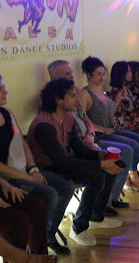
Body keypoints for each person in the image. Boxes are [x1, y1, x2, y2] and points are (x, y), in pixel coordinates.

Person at [27, 78, 123, 249]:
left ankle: (89, 220)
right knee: (75, 183)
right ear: (58, 99)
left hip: (60, 164)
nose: (77, 100)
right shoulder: (44, 125)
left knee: (104, 173)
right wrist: (99, 164)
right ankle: (54, 234)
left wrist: (99, 156)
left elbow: (78, 148)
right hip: (44, 170)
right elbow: (62, 162)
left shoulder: (68, 117)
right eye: (72, 96)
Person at [48, 60, 132, 216]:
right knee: (114, 160)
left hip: (89, 138)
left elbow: (85, 119)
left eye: (71, 72)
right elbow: (66, 152)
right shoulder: (53, 108)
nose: (71, 76)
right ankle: (96, 211)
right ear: (54, 77)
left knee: (117, 157)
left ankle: (102, 208)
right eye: (67, 74)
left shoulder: (73, 98)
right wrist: (97, 153)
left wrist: (90, 133)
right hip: (81, 147)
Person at [78, 57, 139, 193]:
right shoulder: (85, 94)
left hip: (110, 129)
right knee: (130, 147)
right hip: (98, 133)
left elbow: (110, 113)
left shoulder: (101, 92)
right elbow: (83, 119)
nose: (102, 77)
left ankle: (128, 176)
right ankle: (123, 184)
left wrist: (116, 101)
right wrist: (102, 129)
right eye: (98, 74)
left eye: (104, 73)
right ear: (89, 75)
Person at [0, 74, 58, 222]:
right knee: (49, 195)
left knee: (64, 185)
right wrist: (28, 178)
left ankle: (49, 235)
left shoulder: (7, 113)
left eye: (4, 88)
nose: (5, 92)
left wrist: (33, 169)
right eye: (0, 89)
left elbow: (22, 143)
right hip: (8, 178)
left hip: (24, 171)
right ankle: (38, 239)